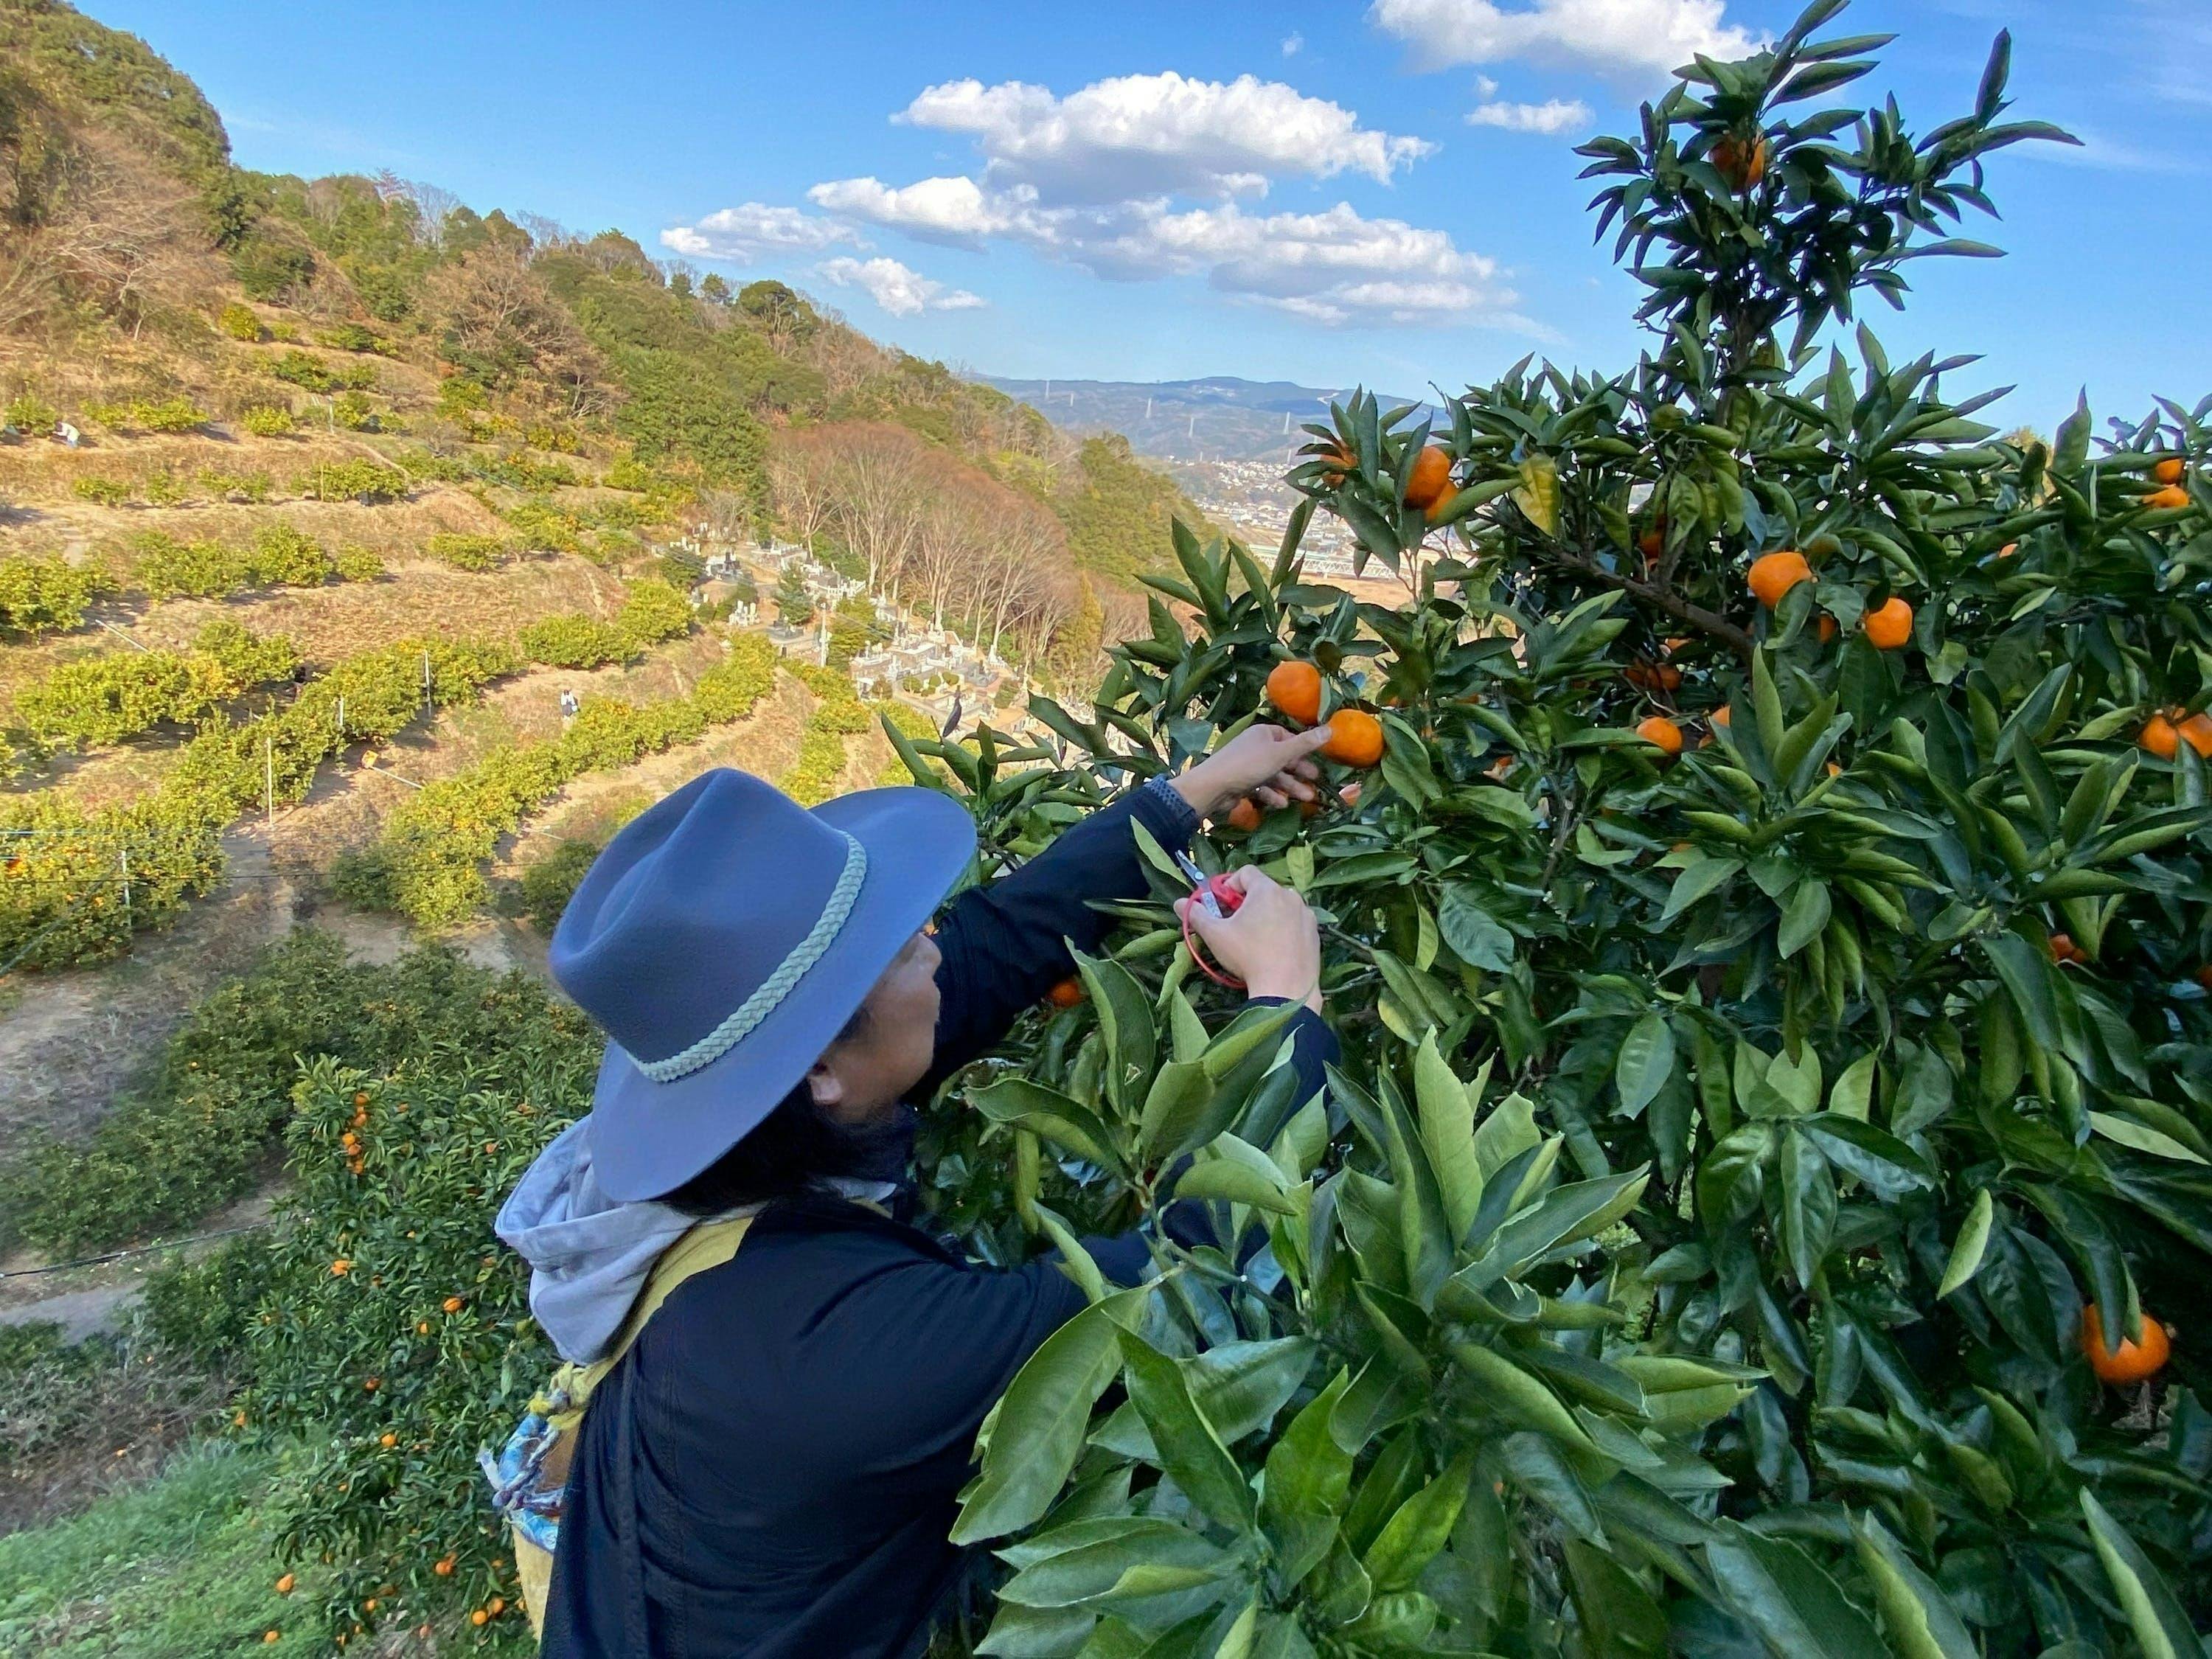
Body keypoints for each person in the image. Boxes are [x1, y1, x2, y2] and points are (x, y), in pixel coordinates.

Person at [497, 725, 1340, 1658]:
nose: (936, 950)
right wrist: (1288, 1005)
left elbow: (995, 943)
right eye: (903, 948)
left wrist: (1189, 797)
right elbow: (1175, 1287)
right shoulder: (815, 1351)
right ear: (818, 1067)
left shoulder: (739, 1115)